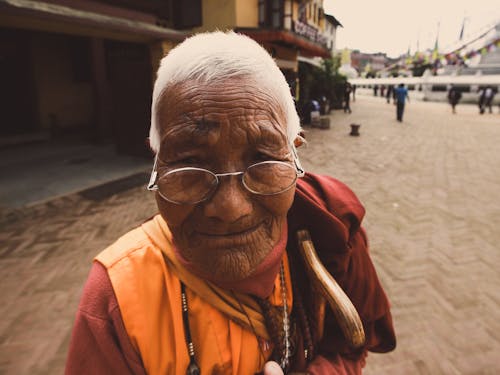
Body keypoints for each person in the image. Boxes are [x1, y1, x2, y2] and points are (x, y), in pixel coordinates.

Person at [65, 31, 395, 375]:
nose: (231, 208)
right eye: (190, 164)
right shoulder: (117, 293)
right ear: (158, 162)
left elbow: (349, 347)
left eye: (264, 158)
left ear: (295, 152)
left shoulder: (330, 230)